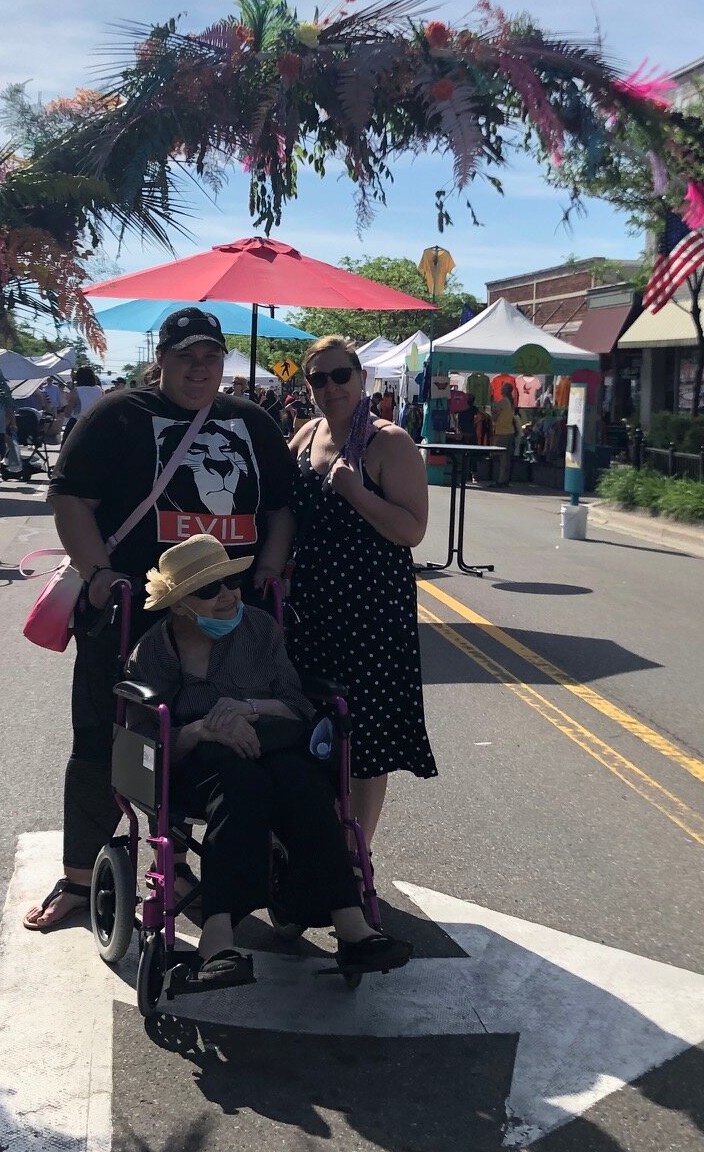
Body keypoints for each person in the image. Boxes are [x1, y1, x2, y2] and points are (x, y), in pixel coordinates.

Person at [26, 307, 296, 932]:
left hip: (230, 619)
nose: (199, 370)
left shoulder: (250, 423)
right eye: (186, 357)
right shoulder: (119, 416)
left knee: (209, 737)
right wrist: (98, 574)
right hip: (129, 615)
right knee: (105, 739)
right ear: (162, 360)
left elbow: (281, 507)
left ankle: (183, 869)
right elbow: (71, 500)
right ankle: (79, 879)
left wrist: (272, 569)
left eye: (210, 358)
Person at [130, 535, 412, 989]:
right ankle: (217, 939)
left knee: (303, 783)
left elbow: (296, 703)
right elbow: (142, 735)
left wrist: (245, 707)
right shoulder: (154, 651)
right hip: (197, 768)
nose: (227, 595)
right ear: (181, 604)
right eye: (209, 589)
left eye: (231, 582)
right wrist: (203, 728)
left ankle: (351, 925)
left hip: (273, 748)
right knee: (242, 786)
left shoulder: (259, 629)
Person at [286, 335, 434, 850]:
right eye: (318, 378)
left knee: (366, 737)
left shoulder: (388, 442)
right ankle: (313, 839)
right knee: (311, 723)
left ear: (361, 378)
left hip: (372, 612)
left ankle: (355, 853)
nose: (330, 387)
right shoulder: (306, 436)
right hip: (309, 609)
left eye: (340, 375)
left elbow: (412, 530)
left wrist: (356, 492)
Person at [488, 387, 516, 486]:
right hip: (510, 431)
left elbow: (495, 417)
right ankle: (505, 479)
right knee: (507, 457)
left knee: (502, 457)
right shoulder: (510, 402)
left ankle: (501, 480)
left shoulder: (503, 402)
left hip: (502, 432)